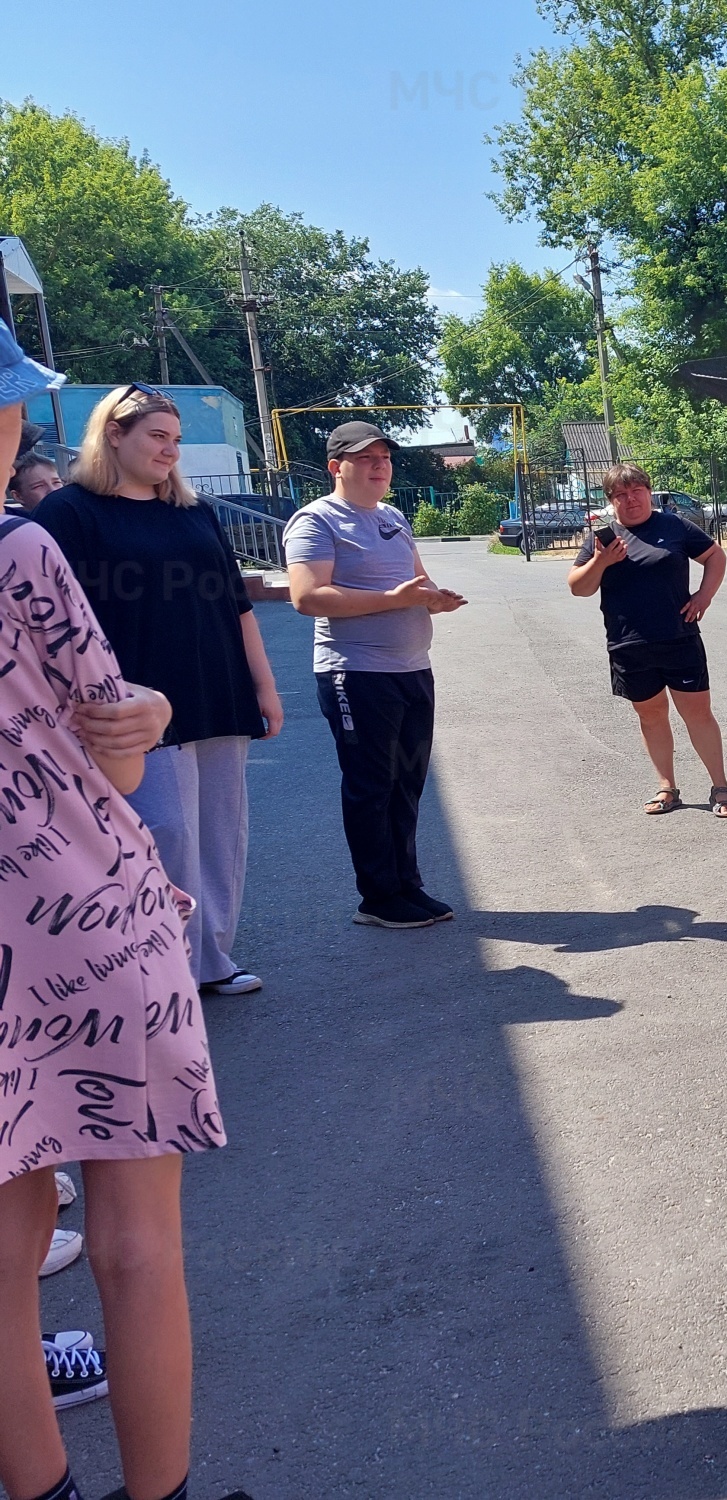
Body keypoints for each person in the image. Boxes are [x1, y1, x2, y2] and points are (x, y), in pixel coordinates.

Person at [0, 326, 242, 1500]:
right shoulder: (25, 550)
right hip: (76, 919)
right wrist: (142, 704)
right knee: (136, 1245)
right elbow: (116, 741)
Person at [34, 383, 284, 998]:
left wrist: (265, 686)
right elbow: (45, 618)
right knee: (164, 831)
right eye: (157, 436)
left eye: (175, 439)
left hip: (216, 686)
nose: (171, 451)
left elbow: (237, 606)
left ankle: (211, 959)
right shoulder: (69, 514)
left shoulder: (195, 512)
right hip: (131, 705)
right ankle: (158, 963)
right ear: (112, 434)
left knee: (221, 830)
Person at [284, 422, 465, 930]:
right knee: (371, 784)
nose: (379, 465)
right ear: (336, 466)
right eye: (365, 457)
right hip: (355, 674)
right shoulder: (317, 521)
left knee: (407, 780)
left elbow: (416, 579)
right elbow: (307, 597)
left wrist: (435, 598)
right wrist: (393, 601)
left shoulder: (391, 517)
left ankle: (407, 884)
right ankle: (378, 898)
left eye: (384, 456)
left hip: (411, 670)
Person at [567, 462, 727, 816]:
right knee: (651, 717)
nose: (630, 500)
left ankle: (721, 789)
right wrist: (600, 562)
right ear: (611, 501)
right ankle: (666, 788)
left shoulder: (672, 525)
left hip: (678, 638)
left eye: (636, 491)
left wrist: (704, 596)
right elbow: (578, 588)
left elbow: (715, 556)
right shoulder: (603, 538)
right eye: (621, 495)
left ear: (648, 492)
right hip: (629, 645)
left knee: (698, 714)